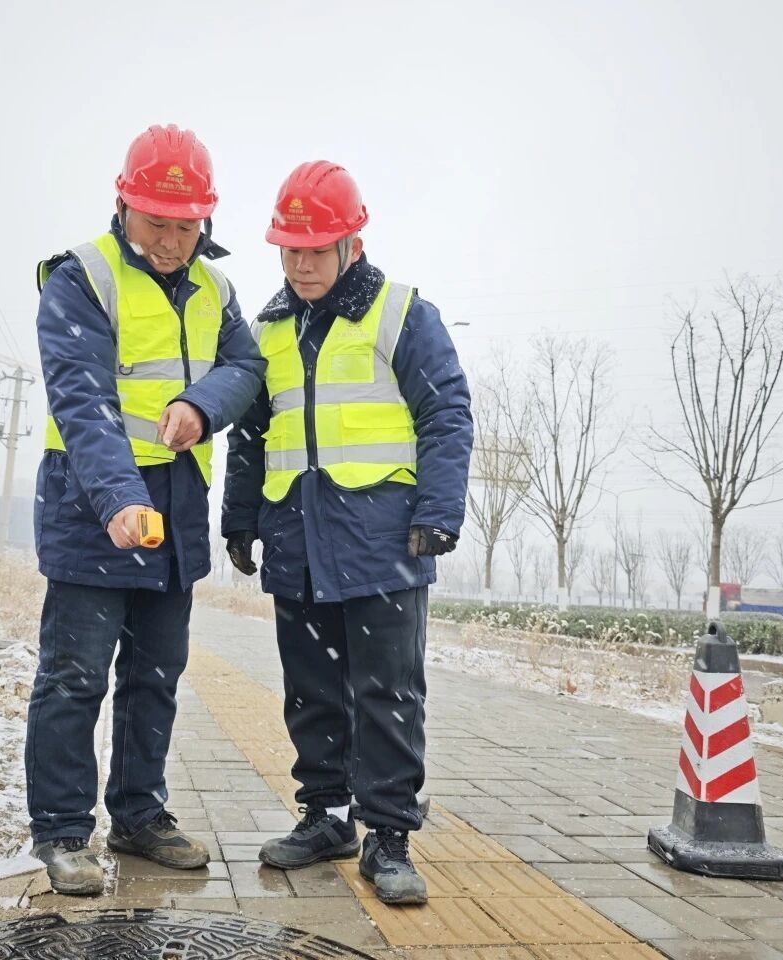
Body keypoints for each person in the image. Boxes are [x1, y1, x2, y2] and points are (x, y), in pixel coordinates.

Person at [221, 161, 472, 904]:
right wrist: (239, 518)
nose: (300, 265)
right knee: (311, 690)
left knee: (387, 693)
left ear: (351, 245)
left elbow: (447, 414)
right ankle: (326, 817)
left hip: (384, 544)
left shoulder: (402, 315)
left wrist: (437, 512)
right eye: (289, 250)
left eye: (315, 249)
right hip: (296, 541)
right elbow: (251, 435)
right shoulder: (266, 330)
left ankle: (388, 836)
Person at [27, 125, 264, 895]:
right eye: (155, 222)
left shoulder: (217, 288)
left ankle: (138, 815)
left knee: (156, 674)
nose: (169, 240)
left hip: (177, 502)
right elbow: (83, 402)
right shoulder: (79, 279)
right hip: (90, 499)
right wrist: (119, 500)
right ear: (123, 204)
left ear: (207, 219)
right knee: (74, 676)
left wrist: (203, 404)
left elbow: (247, 367)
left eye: (184, 225)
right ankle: (64, 832)